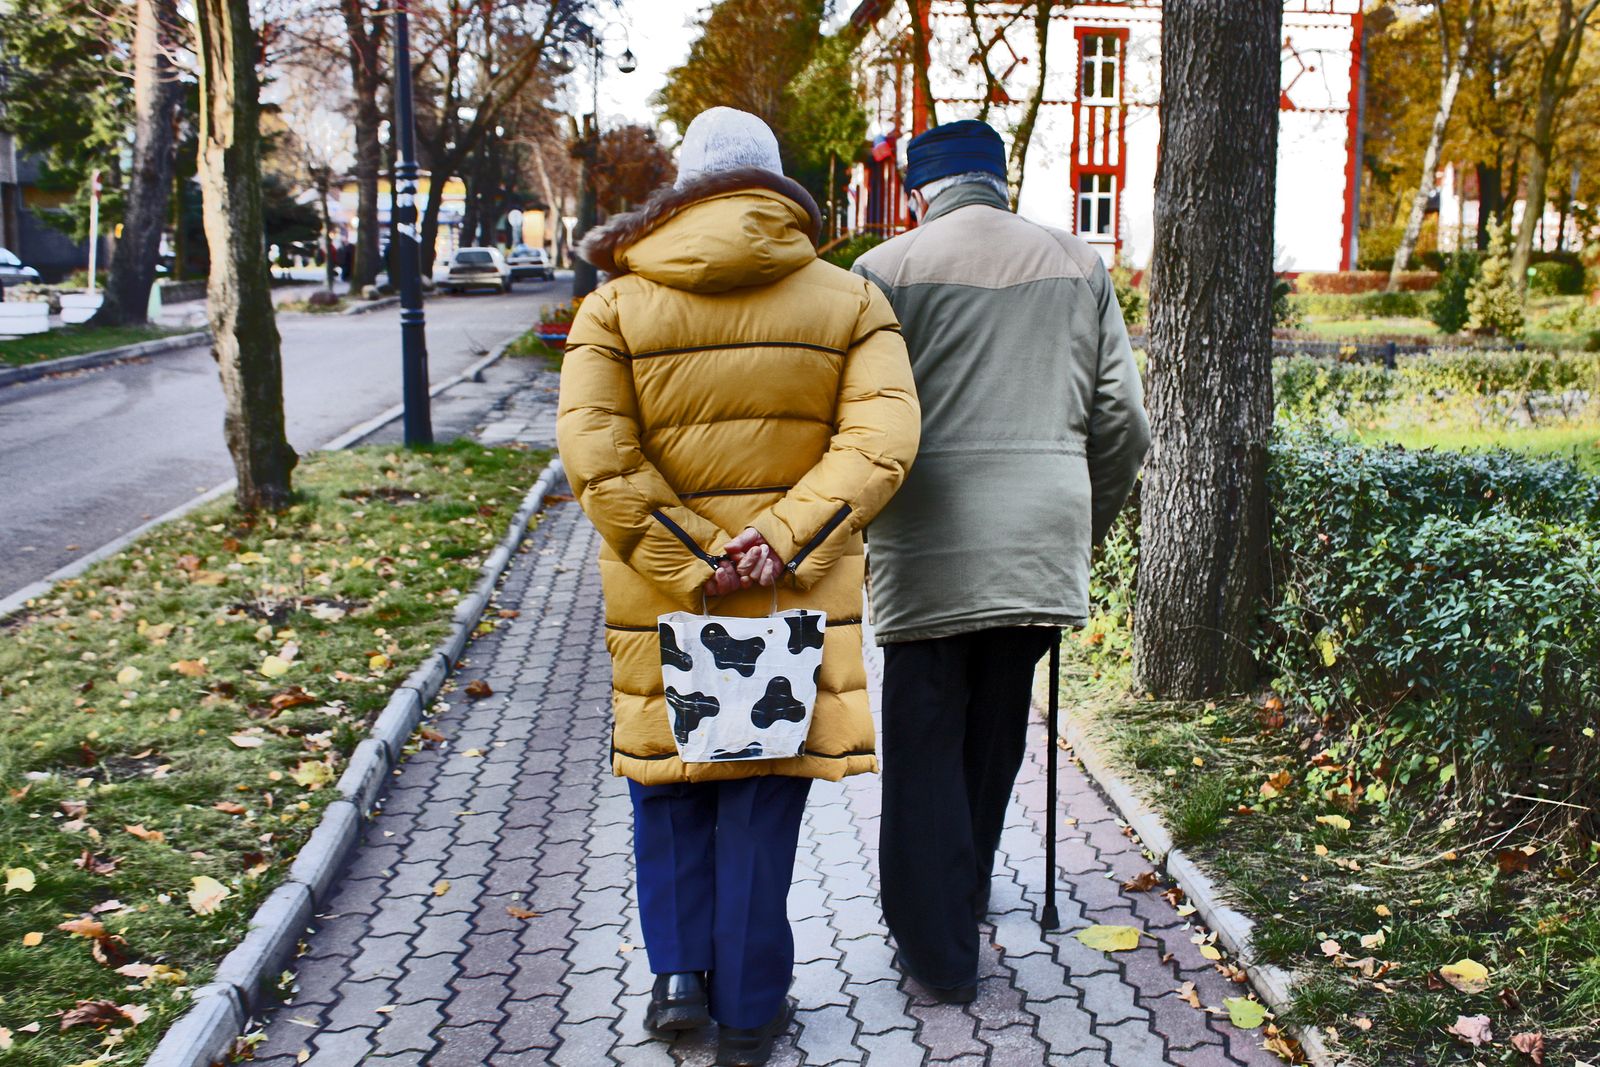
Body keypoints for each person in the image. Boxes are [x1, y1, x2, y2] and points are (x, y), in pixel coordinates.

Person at [556, 107, 919, 1066]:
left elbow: (597, 455)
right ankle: (752, 1007)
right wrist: (779, 541)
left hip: (665, 596)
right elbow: (880, 441)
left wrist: (694, 554)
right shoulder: (848, 300)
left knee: (669, 776)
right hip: (787, 600)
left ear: (684, 185)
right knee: (761, 783)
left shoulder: (614, 306)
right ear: (776, 184)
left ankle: (679, 976)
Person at [852, 119, 1150, 1002]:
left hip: (927, 540)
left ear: (919, 192)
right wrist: (1078, 523)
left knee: (922, 739)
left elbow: (862, 418)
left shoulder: (885, 270)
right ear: (999, 181)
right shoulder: (1078, 264)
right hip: (1038, 537)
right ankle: (970, 878)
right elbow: (1124, 424)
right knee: (993, 728)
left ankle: (940, 950)